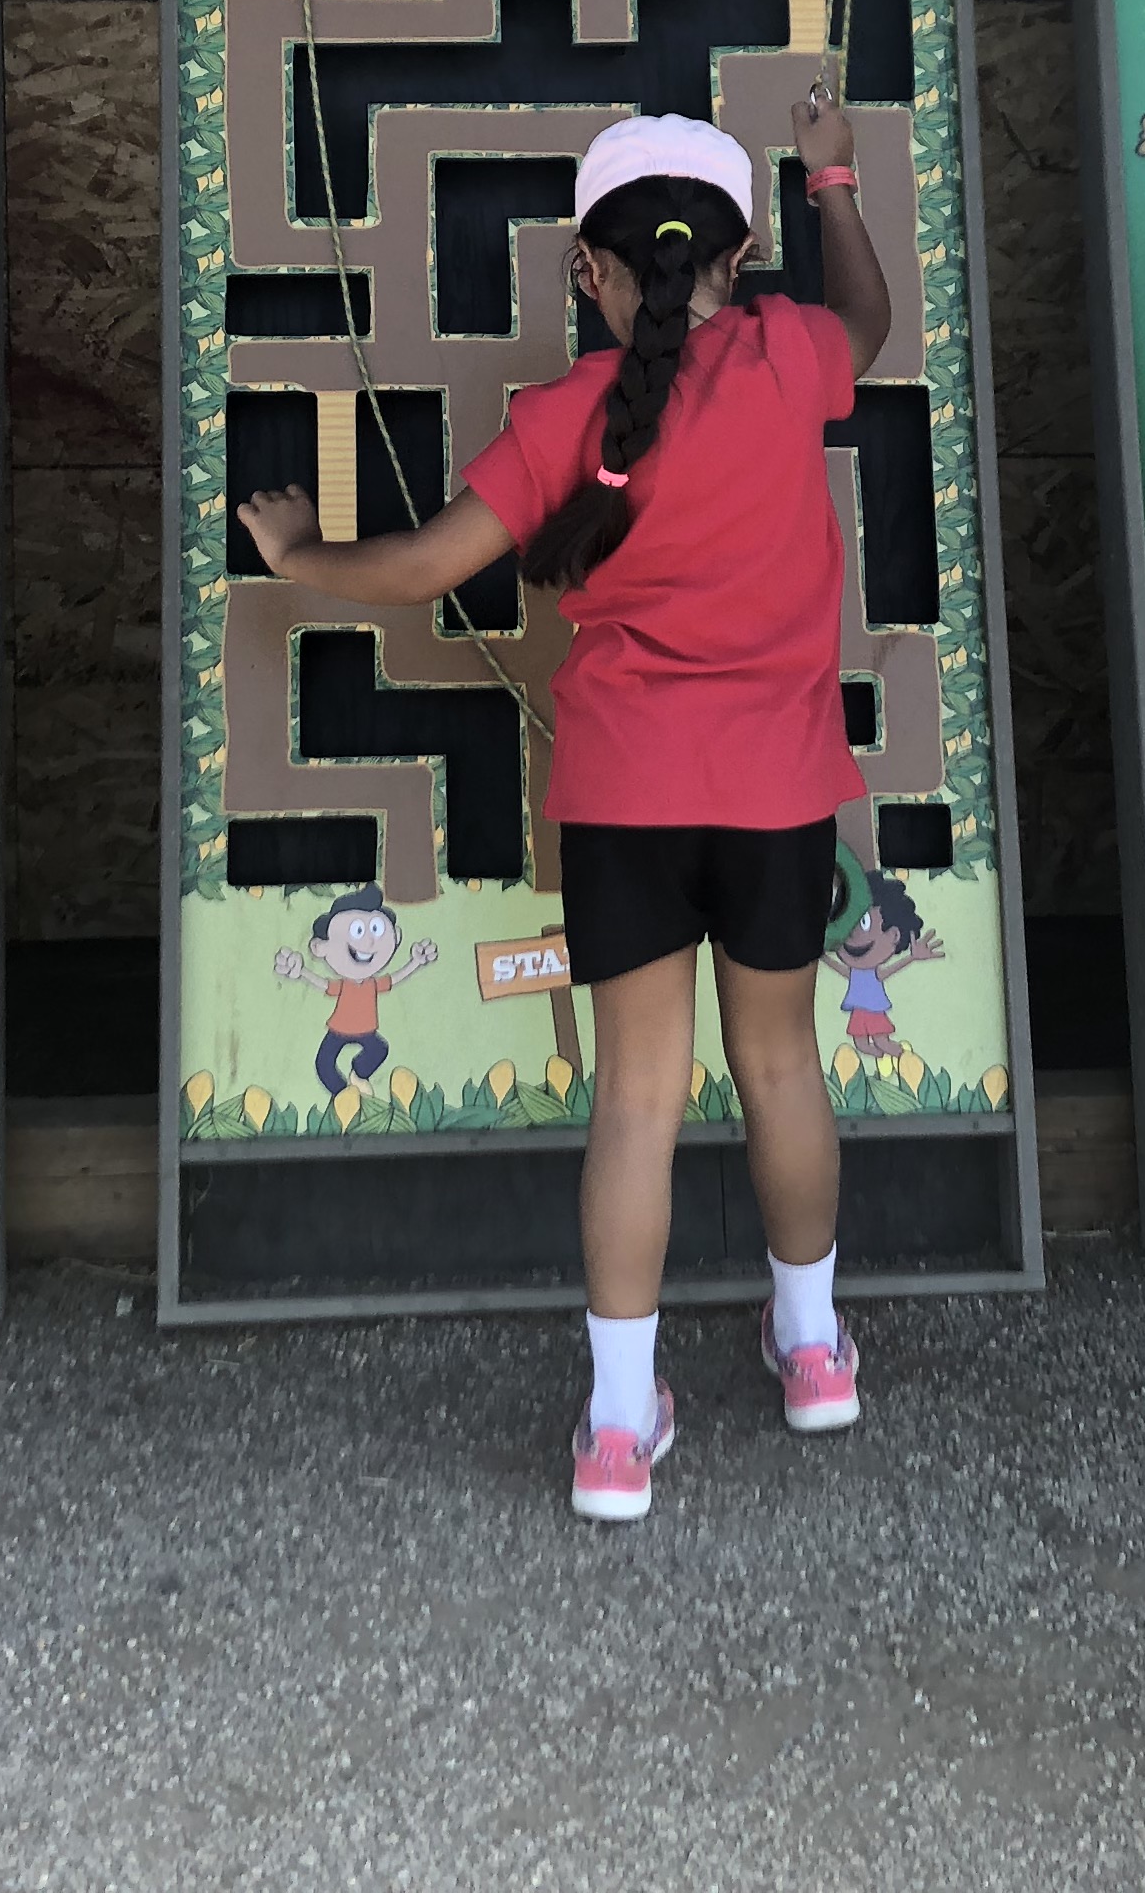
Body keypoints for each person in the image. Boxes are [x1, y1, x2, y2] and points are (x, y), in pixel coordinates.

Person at [234, 91, 893, 1523]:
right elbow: (871, 324)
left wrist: (298, 552)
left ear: (587, 274)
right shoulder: (792, 357)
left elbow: (419, 570)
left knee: (638, 1100)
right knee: (783, 1070)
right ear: (742, 257)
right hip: (779, 791)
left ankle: (614, 1429)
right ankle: (812, 1354)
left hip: (627, 800)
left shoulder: (563, 417)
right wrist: (833, 176)